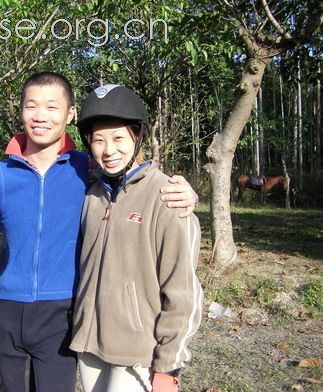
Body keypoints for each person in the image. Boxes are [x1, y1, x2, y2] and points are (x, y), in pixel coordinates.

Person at [0, 72, 199, 392]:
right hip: (5, 313)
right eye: (32, 106)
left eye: (52, 107)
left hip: (62, 316)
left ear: (70, 115)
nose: (41, 116)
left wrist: (182, 192)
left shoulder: (88, 169)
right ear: (21, 110)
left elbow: (133, 175)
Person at [70, 85, 203, 392]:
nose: (108, 150)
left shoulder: (167, 198)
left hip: (137, 353)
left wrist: (169, 366)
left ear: (138, 137)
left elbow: (183, 292)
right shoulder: (93, 194)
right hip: (90, 343)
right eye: (98, 140)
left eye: (118, 138)